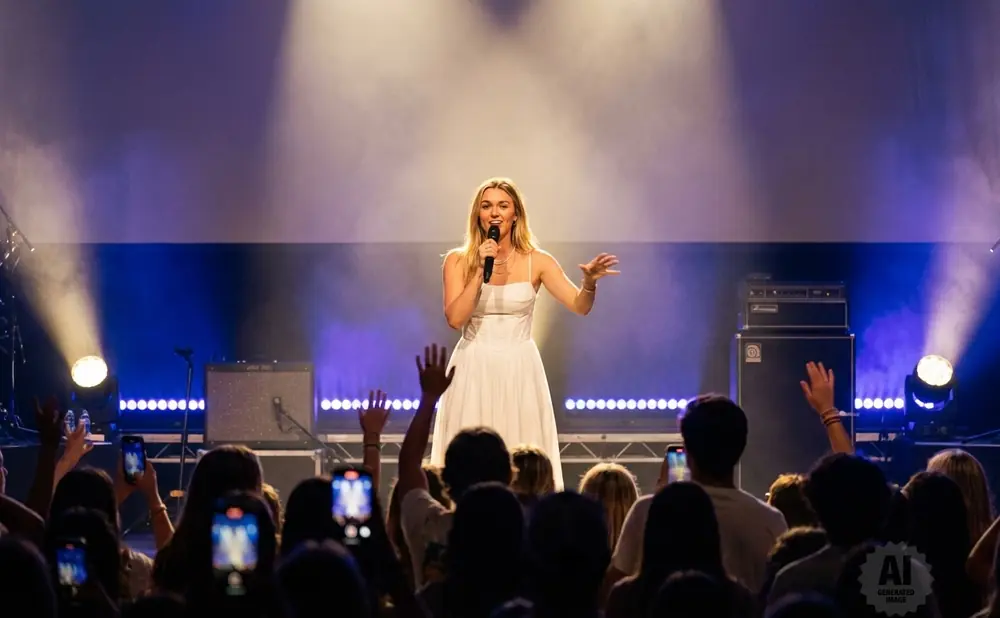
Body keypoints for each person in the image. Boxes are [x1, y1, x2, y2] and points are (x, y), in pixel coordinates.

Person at [433, 177, 619, 488]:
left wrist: (589, 283)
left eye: (503, 206)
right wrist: (480, 269)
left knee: (523, 456)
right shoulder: (458, 260)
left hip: (520, 366)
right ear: (477, 215)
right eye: (487, 205)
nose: (495, 213)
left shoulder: (539, 261)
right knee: (471, 459)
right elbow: (455, 318)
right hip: (473, 366)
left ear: (515, 214)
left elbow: (579, 305)